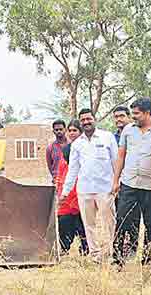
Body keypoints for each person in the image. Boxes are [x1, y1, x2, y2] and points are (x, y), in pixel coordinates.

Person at [111, 97, 151, 267]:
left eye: (136, 114)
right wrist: (116, 181)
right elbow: (121, 156)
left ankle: (148, 260)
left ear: (147, 113)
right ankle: (117, 259)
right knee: (122, 221)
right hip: (129, 184)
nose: (133, 117)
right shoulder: (128, 130)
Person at [60, 108, 118, 264]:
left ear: (95, 119)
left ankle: (112, 251)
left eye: (88, 119)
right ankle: (95, 254)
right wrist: (65, 191)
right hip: (85, 190)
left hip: (105, 189)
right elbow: (73, 169)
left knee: (109, 223)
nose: (86, 122)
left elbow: (115, 162)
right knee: (89, 224)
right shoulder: (77, 144)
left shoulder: (107, 137)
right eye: (83, 120)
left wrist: (117, 183)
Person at [54, 120, 89, 256]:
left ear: (81, 132)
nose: (72, 133)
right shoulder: (66, 150)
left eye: (75, 130)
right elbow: (60, 171)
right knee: (64, 222)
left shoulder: (86, 148)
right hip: (66, 193)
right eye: (70, 130)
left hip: (81, 190)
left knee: (83, 224)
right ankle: (64, 249)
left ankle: (86, 249)